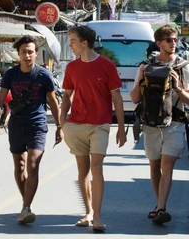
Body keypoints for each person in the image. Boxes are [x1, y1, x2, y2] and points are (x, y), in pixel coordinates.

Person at [59, 25, 127, 232]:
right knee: (83, 170)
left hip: (100, 125)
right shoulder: (72, 68)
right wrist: (62, 121)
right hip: (76, 124)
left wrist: (122, 128)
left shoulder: (107, 66)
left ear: (84, 42)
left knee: (96, 167)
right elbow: (66, 96)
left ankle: (97, 216)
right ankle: (88, 212)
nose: (70, 45)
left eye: (72, 41)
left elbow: (117, 97)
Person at [130, 25, 189, 225]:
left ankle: (161, 207)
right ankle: (159, 205)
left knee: (167, 165)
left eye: (175, 39)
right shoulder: (145, 66)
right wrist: (141, 79)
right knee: (155, 165)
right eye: (169, 40)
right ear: (158, 43)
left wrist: (177, 88)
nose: (173, 43)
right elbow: (134, 99)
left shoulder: (184, 67)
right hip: (151, 125)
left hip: (174, 124)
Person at [0, 35, 60, 225]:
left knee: (33, 164)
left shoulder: (44, 75)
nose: (27, 56)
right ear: (18, 54)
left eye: (30, 52)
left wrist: (60, 126)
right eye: (23, 52)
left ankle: (27, 207)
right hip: (16, 125)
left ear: (36, 54)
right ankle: (25, 204)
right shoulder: (10, 74)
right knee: (19, 167)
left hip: (37, 125)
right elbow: (0, 99)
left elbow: (53, 102)